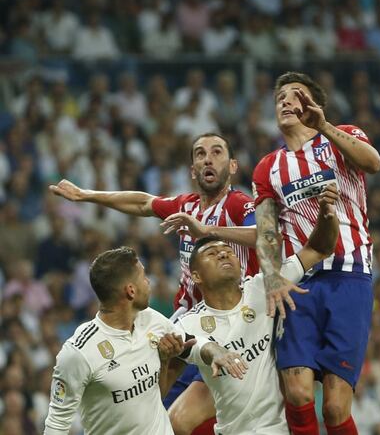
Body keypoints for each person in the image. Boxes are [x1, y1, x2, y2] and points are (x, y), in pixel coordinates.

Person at [49, 132, 260, 433]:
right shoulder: (186, 205)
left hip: (231, 321)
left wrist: (207, 230)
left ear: (233, 166)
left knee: (183, 416)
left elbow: (266, 236)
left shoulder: (239, 205)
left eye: (217, 152)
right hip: (187, 319)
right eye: (200, 154)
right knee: (155, 407)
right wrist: (87, 195)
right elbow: (143, 203)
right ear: (192, 169)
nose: (208, 159)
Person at [252, 71, 380, 435]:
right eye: (280, 98)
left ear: (315, 105)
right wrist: (273, 275)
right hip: (300, 281)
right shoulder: (268, 167)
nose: (286, 102)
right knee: (295, 391)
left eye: (296, 95)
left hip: (350, 276)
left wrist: (325, 126)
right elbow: (265, 229)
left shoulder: (342, 137)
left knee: (337, 408)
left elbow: (373, 163)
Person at [160, 182, 339, 435]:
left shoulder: (264, 287)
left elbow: (319, 248)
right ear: (196, 276)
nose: (223, 254)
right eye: (212, 253)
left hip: (277, 430)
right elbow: (191, 347)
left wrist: (327, 213)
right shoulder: (187, 323)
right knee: (175, 420)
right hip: (231, 430)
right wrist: (210, 350)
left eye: (227, 251)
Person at [43, 246, 246, 435]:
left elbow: (192, 345)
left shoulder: (151, 320)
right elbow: (57, 423)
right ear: (131, 290)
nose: (149, 282)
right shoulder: (79, 352)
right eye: (143, 277)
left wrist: (216, 352)